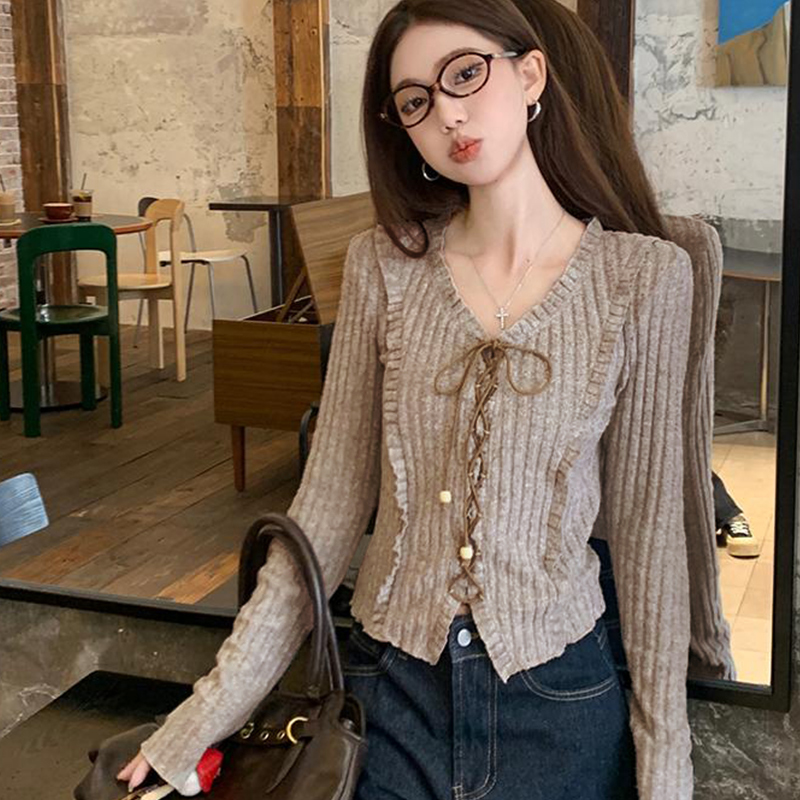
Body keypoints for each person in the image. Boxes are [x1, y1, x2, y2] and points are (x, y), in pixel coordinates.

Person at [120, 1, 706, 797]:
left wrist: (666, 768)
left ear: (531, 75)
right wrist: (202, 717)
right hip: (389, 700)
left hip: (559, 703)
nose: (448, 115)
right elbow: (327, 508)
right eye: (415, 102)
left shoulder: (644, 278)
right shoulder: (383, 268)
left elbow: (648, 537)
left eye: (466, 74)